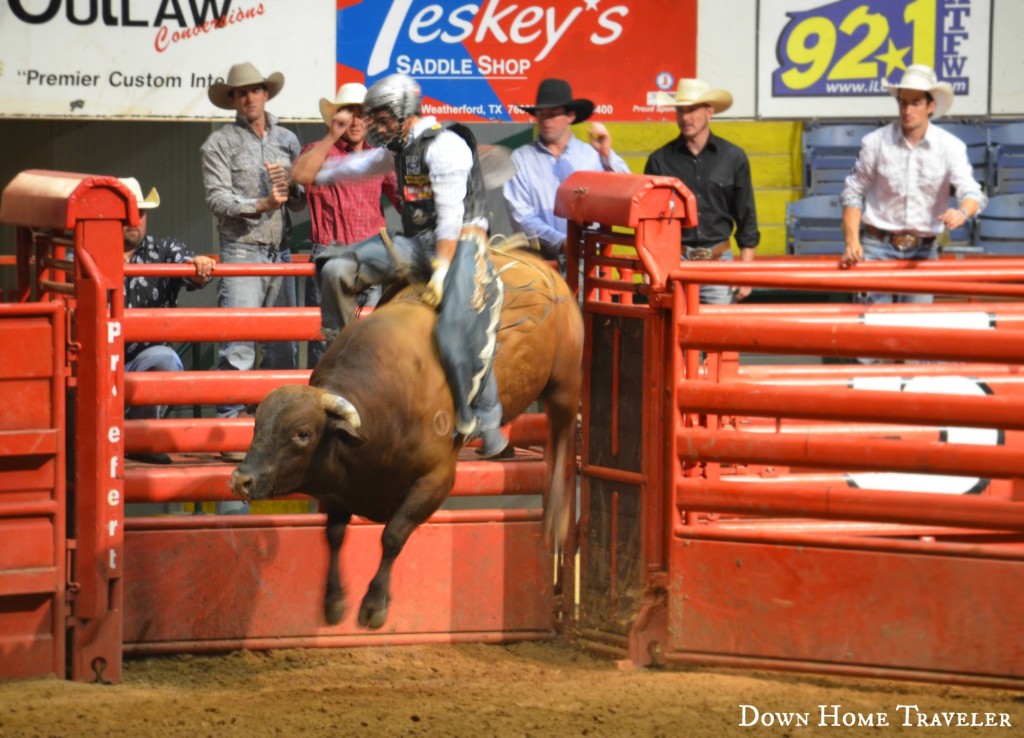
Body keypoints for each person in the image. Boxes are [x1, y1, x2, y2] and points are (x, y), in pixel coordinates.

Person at [313, 73, 510, 459]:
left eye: (382, 117)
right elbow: (359, 166)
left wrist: (439, 271)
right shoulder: (399, 149)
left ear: (404, 112)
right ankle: (341, 352)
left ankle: (485, 424)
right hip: (417, 242)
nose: (376, 125)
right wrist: (319, 171)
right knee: (335, 271)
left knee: (455, 331)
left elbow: (452, 217)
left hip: (463, 241)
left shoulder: (446, 145)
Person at [200, 61, 306, 436]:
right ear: (233, 99)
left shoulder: (288, 140)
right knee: (238, 346)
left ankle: (278, 430)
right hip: (242, 249)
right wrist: (260, 204)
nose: (248, 97)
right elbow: (216, 198)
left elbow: (299, 202)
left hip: (281, 249)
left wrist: (291, 187)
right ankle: (227, 430)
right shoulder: (219, 143)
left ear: (265, 94)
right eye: (241, 92)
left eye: (254, 90)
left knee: (284, 349)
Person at [840, 64, 987, 304]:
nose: (907, 110)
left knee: (915, 329)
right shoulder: (875, 142)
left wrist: (962, 212)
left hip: (922, 251)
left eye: (916, 102)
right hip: (876, 246)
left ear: (931, 106)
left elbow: (973, 193)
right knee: (872, 329)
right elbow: (852, 192)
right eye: (903, 103)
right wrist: (852, 241)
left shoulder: (951, 147)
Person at [291, 82, 401, 368]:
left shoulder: (379, 157)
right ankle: (326, 406)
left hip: (371, 256)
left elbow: (404, 199)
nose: (355, 121)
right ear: (337, 119)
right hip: (331, 253)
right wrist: (332, 135)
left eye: (361, 114)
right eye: (348, 113)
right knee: (328, 343)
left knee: (372, 339)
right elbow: (301, 175)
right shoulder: (318, 150)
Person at [121, 177, 215, 464]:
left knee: (164, 359)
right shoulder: (87, 251)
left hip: (142, 359)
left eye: (141, 212)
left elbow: (192, 271)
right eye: (126, 214)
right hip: (97, 357)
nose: (134, 220)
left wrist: (200, 266)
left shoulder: (164, 250)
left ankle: (143, 440)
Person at [644, 78, 760, 304]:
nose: (685, 117)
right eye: (680, 111)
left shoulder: (733, 157)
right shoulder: (659, 160)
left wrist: (747, 270)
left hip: (716, 262)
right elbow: (650, 221)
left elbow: (746, 214)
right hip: (673, 262)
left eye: (692, 110)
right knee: (674, 333)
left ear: (709, 111)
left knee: (714, 333)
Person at [503, 78, 630, 270]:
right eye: (541, 114)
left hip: (589, 262)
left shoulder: (592, 155)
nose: (546, 120)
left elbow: (626, 190)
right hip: (541, 266)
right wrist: (562, 243)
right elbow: (521, 216)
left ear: (570, 116)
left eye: (553, 114)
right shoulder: (521, 159)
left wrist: (606, 154)